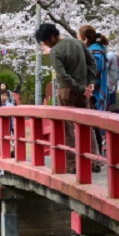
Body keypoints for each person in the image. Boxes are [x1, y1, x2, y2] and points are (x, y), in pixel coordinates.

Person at [35, 23, 99, 173]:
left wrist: (78, 87)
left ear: (51, 37)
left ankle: (72, 163)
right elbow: (92, 62)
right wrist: (89, 82)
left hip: (66, 90)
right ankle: (94, 160)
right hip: (83, 90)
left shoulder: (56, 51)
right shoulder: (78, 43)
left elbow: (63, 75)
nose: (45, 45)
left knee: (67, 127)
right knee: (86, 125)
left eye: (45, 41)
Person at [78, 25, 109, 153]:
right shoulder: (99, 50)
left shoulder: (94, 52)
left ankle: (96, 156)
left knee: (93, 124)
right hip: (99, 90)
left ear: (85, 39)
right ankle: (96, 155)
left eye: (78, 37)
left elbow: (94, 71)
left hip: (95, 91)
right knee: (94, 124)